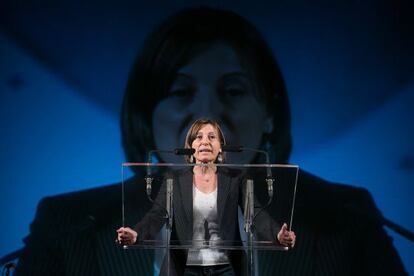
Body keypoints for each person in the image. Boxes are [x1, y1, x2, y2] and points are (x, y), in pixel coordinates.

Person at [15, 6, 407, 276]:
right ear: (146, 114)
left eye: (233, 91)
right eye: (181, 92)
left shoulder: (346, 217)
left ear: (269, 113)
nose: (208, 115)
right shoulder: (66, 225)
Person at [117, 118, 296, 275]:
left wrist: (278, 235)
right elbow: (155, 216)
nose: (205, 141)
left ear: (220, 148)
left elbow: (256, 215)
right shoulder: (174, 180)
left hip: (227, 267)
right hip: (184, 267)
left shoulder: (236, 178)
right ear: (190, 147)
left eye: (212, 137)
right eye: (198, 137)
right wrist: (136, 234)